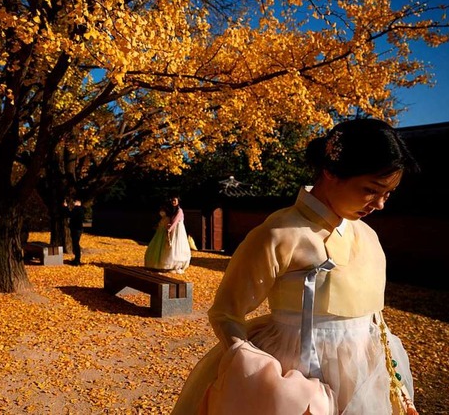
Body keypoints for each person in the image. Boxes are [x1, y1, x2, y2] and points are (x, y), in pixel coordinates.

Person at [171, 118, 420, 415]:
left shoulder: (368, 235)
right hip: (293, 370)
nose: (379, 204)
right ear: (330, 172)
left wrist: (393, 381)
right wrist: (261, 372)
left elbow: (373, 317)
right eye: (371, 190)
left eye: (387, 194)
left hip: (366, 374)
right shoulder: (279, 233)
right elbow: (226, 311)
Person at [162, 195, 191, 273]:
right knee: (172, 245)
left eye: (175, 200)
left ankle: (178, 264)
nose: (173, 202)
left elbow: (176, 221)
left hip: (178, 230)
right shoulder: (174, 211)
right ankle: (171, 264)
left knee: (178, 245)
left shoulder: (179, 211)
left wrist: (170, 229)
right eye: (172, 200)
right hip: (174, 230)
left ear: (178, 201)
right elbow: (172, 221)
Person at [144, 202, 173, 270]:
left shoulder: (168, 218)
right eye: (161, 211)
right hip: (158, 234)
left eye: (163, 211)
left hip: (163, 235)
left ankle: (159, 264)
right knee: (155, 248)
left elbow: (166, 227)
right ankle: (153, 264)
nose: (161, 212)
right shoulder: (162, 218)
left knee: (160, 249)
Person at [64, 198, 85, 266]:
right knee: (76, 244)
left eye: (74, 201)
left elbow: (69, 214)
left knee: (76, 244)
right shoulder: (82, 209)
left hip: (76, 229)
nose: (73, 203)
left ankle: (77, 260)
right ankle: (77, 259)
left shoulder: (77, 209)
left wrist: (66, 207)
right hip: (79, 229)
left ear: (77, 202)